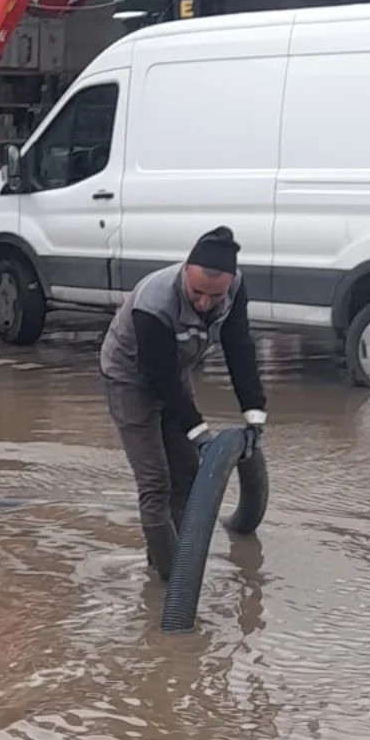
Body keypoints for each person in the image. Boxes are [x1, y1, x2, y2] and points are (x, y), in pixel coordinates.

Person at [99, 226, 268, 581]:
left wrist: (254, 415)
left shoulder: (235, 287)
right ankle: (169, 584)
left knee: (188, 473)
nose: (205, 303)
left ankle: (169, 561)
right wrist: (199, 432)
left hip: (175, 372)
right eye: (197, 293)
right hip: (130, 377)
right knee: (156, 483)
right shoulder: (154, 301)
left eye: (214, 297)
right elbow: (158, 379)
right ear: (185, 272)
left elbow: (239, 348)